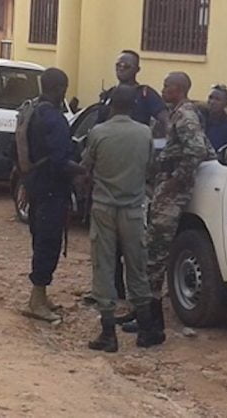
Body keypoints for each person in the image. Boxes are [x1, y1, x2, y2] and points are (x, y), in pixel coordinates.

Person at [80, 85, 160, 352]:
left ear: (111, 105)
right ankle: (146, 330)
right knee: (136, 266)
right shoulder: (144, 133)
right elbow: (149, 167)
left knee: (104, 266)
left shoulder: (98, 132)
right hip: (134, 209)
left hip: (104, 208)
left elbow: (86, 166)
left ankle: (108, 332)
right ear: (134, 106)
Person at [144, 71, 216, 338]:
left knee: (156, 250)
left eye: (167, 86)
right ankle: (145, 312)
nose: (162, 90)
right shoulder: (173, 114)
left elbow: (197, 150)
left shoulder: (185, 115)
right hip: (163, 186)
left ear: (178, 89)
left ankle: (152, 322)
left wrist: (177, 180)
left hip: (173, 192)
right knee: (152, 248)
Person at [25, 68, 86, 323]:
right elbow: (61, 161)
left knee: (40, 238)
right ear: (60, 88)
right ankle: (37, 299)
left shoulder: (31, 110)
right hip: (52, 189)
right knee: (49, 243)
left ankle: (40, 295)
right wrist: (83, 170)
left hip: (34, 186)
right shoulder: (55, 119)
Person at [202, 84, 227, 152]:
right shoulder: (198, 117)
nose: (212, 102)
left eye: (217, 99)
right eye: (210, 98)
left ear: (226, 103)